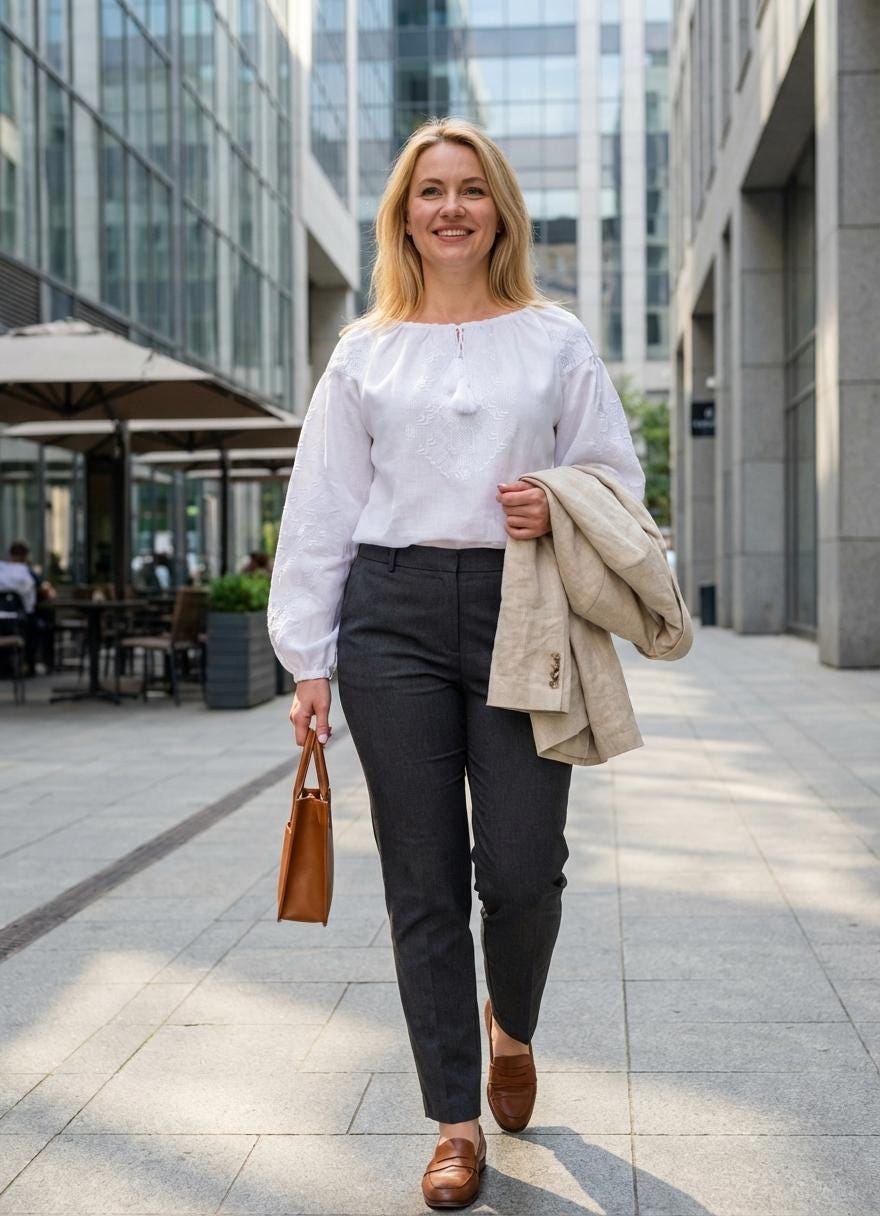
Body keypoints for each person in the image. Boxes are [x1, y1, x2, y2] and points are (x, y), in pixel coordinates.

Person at [268, 116, 645, 1209]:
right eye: (428, 190)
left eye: (469, 189)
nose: (448, 207)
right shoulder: (364, 351)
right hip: (389, 614)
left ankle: (509, 1026)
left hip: (523, 609)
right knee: (420, 876)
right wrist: (309, 658)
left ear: (499, 211)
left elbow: (619, 484)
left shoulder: (555, 340)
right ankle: (451, 1120)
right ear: (403, 215)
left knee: (525, 868)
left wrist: (558, 498)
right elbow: (322, 508)